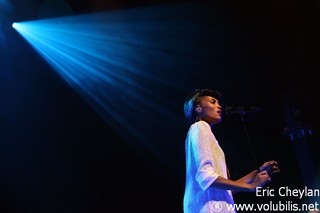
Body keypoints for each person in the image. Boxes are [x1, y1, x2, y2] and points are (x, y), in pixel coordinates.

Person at [183, 89, 279, 213]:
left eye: (218, 103)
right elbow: (205, 177)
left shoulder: (205, 134)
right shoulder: (200, 127)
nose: (219, 106)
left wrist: (258, 172)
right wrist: (250, 187)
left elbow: (227, 189)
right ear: (198, 108)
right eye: (213, 102)